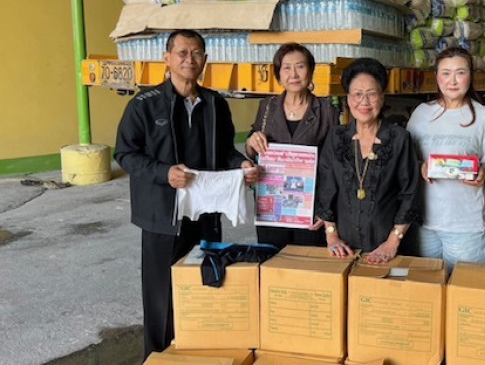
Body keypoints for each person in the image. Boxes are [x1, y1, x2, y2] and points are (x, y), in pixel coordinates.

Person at [114, 29, 257, 361]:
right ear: (167, 58)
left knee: (205, 282)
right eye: (182, 53)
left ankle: (198, 351)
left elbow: (225, 152)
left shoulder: (215, 104)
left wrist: (241, 164)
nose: (189, 60)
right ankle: (157, 356)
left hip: (206, 213)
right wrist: (164, 173)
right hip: (164, 216)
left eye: (196, 53)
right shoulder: (144, 105)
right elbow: (125, 153)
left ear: (205, 60)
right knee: (160, 294)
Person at [315, 58, 420, 264]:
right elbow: (326, 189)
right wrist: (331, 235)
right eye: (357, 94)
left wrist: (392, 242)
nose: (364, 102)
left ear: (382, 98)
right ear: (348, 98)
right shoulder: (336, 137)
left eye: (371, 94)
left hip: (389, 247)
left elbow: (409, 194)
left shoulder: (399, 138)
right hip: (343, 247)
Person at [406, 47, 485, 272]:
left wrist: (484, 172)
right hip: (424, 222)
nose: (453, 81)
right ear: (437, 76)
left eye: (460, 72)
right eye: (446, 73)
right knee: (428, 286)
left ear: (470, 76)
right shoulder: (421, 114)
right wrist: (420, 166)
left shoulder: (484, 117)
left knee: (464, 287)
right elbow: (405, 160)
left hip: (466, 225)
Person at [245, 43, 338, 249]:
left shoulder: (327, 111)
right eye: (286, 68)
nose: (293, 74)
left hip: (310, 207)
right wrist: (251, 142)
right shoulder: (267, 107)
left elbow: (334, 164)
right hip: (272, 207)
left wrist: (326, 210)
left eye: (300, 67)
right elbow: (252, 149)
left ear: (311, 71)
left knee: (306, 261)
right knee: (272, 260)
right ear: (278, 75)